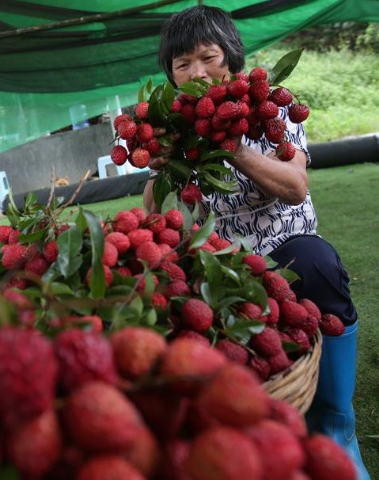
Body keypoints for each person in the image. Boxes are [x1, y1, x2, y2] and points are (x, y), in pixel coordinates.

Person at [143, 6, 369, 479]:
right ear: (170, 74)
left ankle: (335, 425)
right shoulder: (179, 127)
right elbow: (154, 214)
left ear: (232, 59)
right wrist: (162, 164)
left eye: (207, 57)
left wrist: (234, 145)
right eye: (183, 65)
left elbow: (294, 186)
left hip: (289, 247)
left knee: (315, 261)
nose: (197, 73)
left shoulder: (274, 106)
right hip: (226, 264)